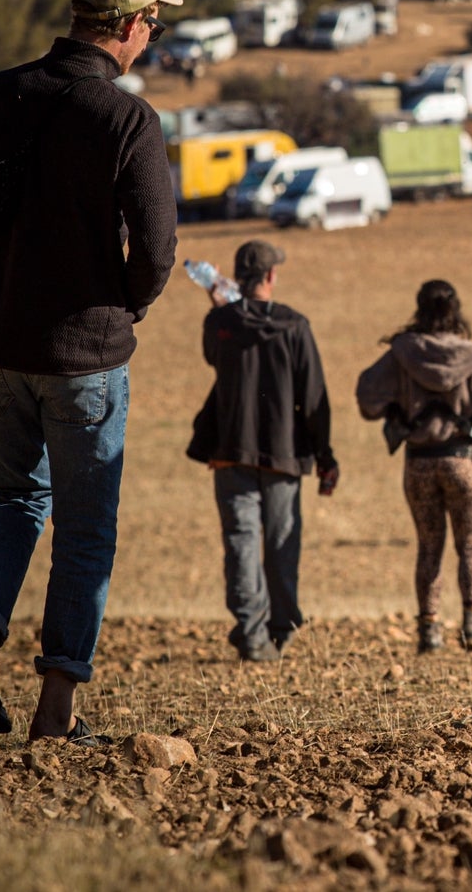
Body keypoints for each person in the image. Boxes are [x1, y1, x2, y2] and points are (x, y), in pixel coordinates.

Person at [0, 0, 180, 743]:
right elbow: (159, 251)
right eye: (154, 25)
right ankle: (57, 711)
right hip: (84, 359)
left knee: (15, 497)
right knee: (85, 528)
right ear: (132, 29)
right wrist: (121, 305)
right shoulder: (126, 120)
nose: (153, 37)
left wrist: (2, 276)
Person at [187, 241, 336, 663]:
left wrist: (219, 305)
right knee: (281, 544)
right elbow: (314, 397)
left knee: (242, 543)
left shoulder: (220, 322)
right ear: (271, 277)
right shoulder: (296, 326)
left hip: (232, 449)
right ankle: (280, 631)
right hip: (284, 455)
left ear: (237, 277)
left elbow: (213, 355)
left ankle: (252, 636)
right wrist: (325, 456)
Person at [355, 279, 472, 653]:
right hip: (465, 464)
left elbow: (367, 401)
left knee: (429, 547)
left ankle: (429, 630)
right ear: (455, 311)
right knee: (471, 545)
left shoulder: (401, 353)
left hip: (420, 464)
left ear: (420, 309)